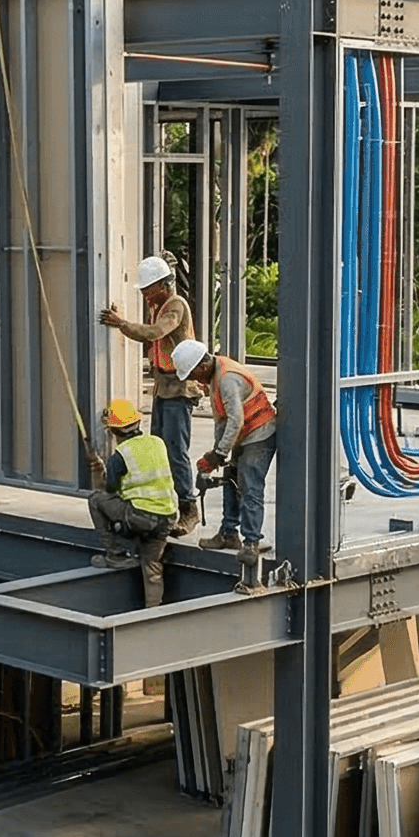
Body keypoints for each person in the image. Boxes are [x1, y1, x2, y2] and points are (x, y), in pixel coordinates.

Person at [99, 255, 201, 534]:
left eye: (148, 289)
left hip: (179, 388)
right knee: (158, 447)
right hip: (163, 386)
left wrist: (121, 323)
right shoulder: (158, 307)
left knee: (175, 451)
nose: (144, 295)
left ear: (163, 286)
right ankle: (166, 504)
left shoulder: (175, 306)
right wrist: (122, 319)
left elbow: (154, 333)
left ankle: (189, 508)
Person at [171, 338, 275, 553]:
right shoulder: (215, 375)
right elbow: (223, 420)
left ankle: (251, 543)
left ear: (202, 366)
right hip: (243, 434)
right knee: (231, 481)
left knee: (249, 486)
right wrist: (218, 451)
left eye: (193, 375)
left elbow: (235, 420)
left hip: (259, 432)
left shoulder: (227, 379)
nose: (194, 380)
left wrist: (219, 453)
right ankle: (229, 534)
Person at [85, 398, 178, 607]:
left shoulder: (120, 455)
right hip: (167, 518)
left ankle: (115, 554)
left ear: (114, 431)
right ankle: (152, 612)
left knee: (96, 500)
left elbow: (110, 490)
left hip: (140, 517)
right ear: (137, 423)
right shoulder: (157, 442)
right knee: (152, 568)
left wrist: (99, 471)